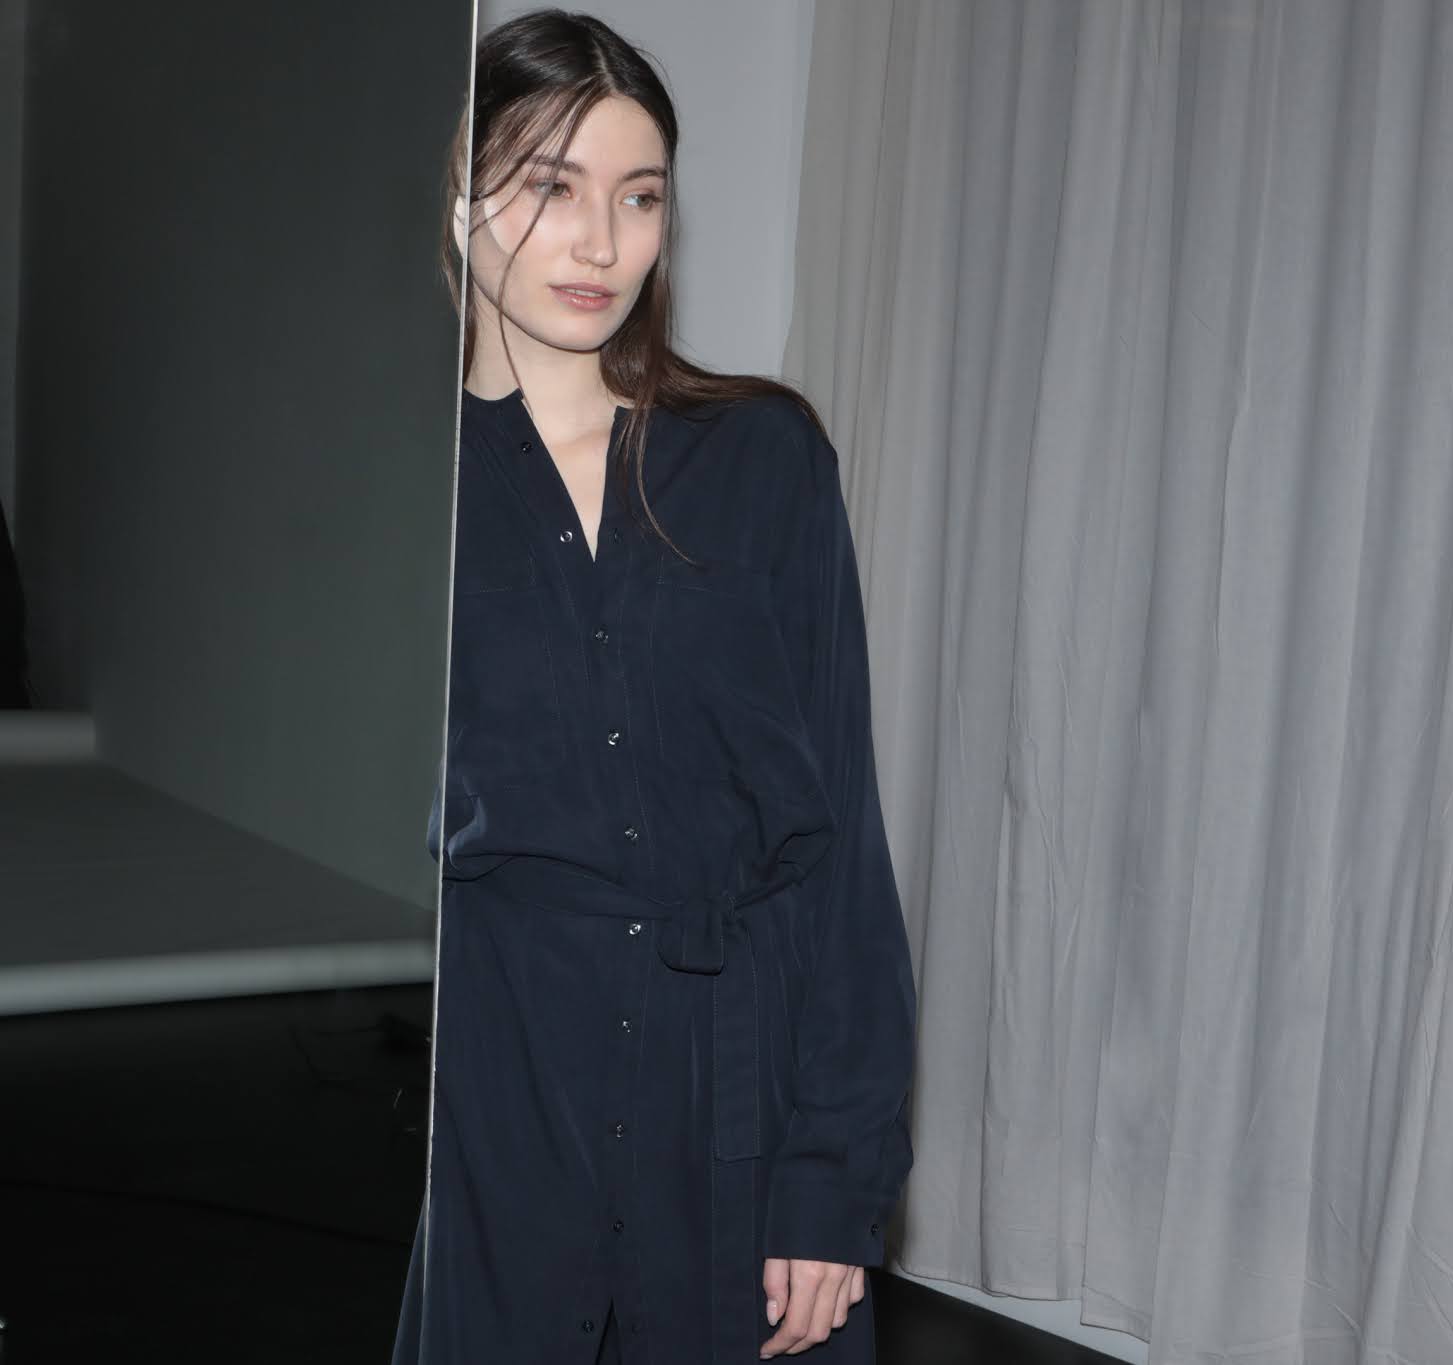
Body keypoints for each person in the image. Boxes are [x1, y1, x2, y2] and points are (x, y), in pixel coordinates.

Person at [390, 11, 917, 1363]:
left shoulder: (763, 459)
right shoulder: (403, 494)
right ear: (458, 198)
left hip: (736, 1113)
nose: (601, 243)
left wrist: (833, 1171)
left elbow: (841, 847)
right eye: (550, 186)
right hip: (506, 1121)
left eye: (639, 196)